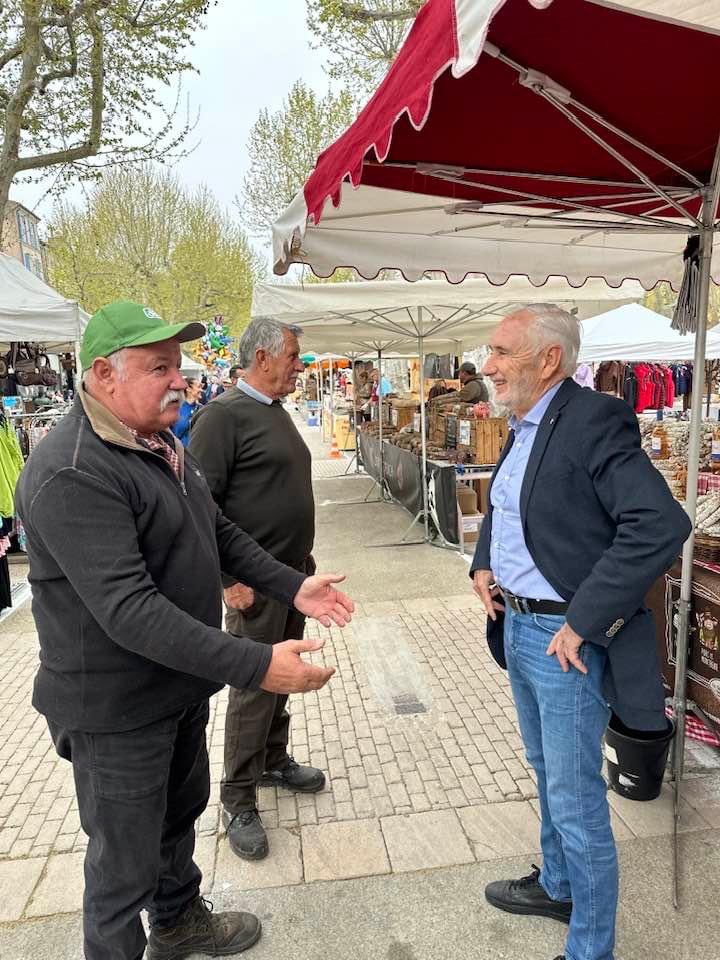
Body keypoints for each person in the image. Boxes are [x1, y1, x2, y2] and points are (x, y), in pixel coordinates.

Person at [16, 299, 354, 960]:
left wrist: (293, 583)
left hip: (175, 689)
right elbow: (129, 609)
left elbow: (218, 531)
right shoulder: (72, 469)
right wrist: (256, 664)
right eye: (159, 367)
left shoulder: (159, 442)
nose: (181, 379)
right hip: (115, 710)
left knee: (177, 823)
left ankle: (176, 926)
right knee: (122, 870)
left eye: (178, 364)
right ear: (104, 375)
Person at [471, 304, 691, 960]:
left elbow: (658, 523)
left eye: (503, 352)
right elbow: (508, 502)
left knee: (574, 799)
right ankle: (558, 884)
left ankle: (590, 948)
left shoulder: (592, 418)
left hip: (562, 643)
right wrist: (484, 561)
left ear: (549, 360)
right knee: (546, 771)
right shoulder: (523, 421)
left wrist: (585, 619)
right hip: (516, 625)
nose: (488, 366)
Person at [190, 317, 325, 863]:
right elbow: (199, 508)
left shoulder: (272, 412)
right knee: (252, 686)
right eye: (292, 355)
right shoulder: (222, 416)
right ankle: (237, 798)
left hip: (290, 578)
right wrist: (228, 580)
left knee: (281, 675)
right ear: (263, 358)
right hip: (254, 584)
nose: (299, 363)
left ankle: (272, 759)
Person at [171, 377, 203, 446]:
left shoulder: (202, 408)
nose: (201, 390)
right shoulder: (176, 409)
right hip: (181, 452)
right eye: (198, 387)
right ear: (188, 389)